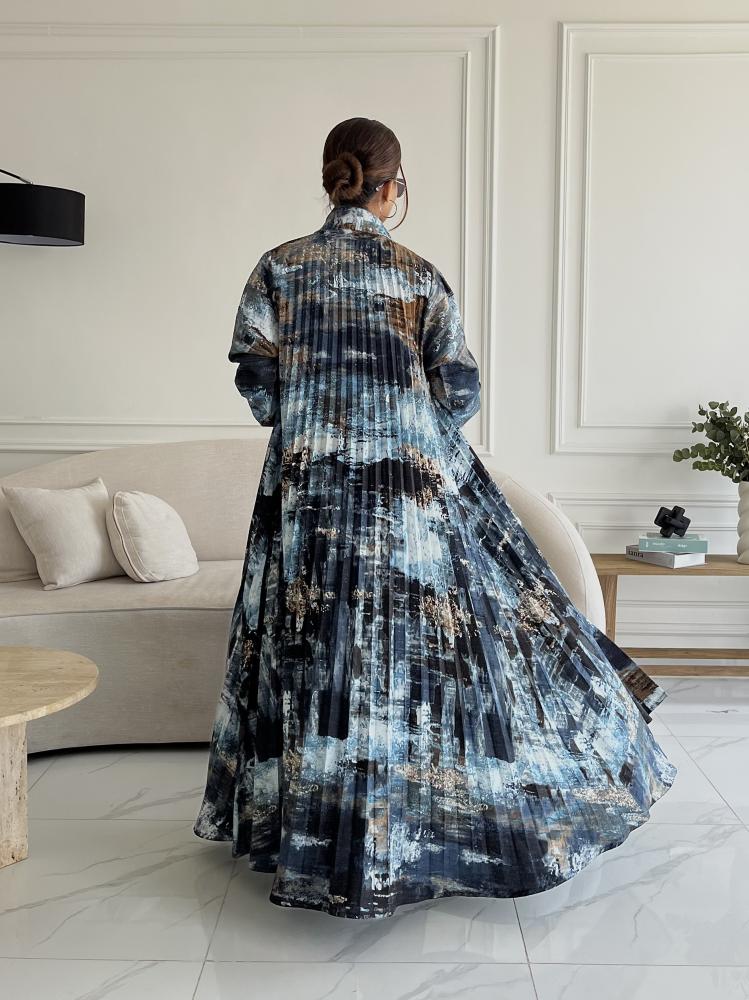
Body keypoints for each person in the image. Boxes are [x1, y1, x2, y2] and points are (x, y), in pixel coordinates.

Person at [192, 116, 677, 919]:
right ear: (392, 188)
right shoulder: (418, 276)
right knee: (412, 669)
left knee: (316, 659)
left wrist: (321, 409)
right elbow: (457, 395)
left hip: (310, 498)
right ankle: (417, 842)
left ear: (332, 180)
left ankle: (313, 845)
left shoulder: (278, 267)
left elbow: (260, 392)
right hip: (408, 508)